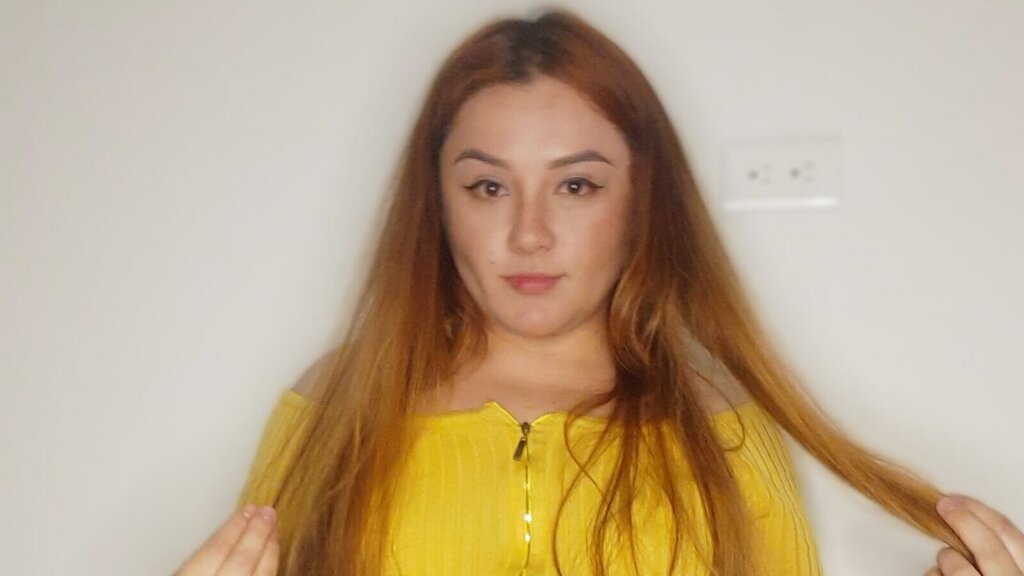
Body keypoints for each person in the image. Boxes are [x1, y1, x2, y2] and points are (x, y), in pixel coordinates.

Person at [175, 9, 1024, 576]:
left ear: (641, 200)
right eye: (488, 187)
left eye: (576, 186)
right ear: (436, 203)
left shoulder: (723, 424)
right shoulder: (336, 408)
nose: (530, 234)